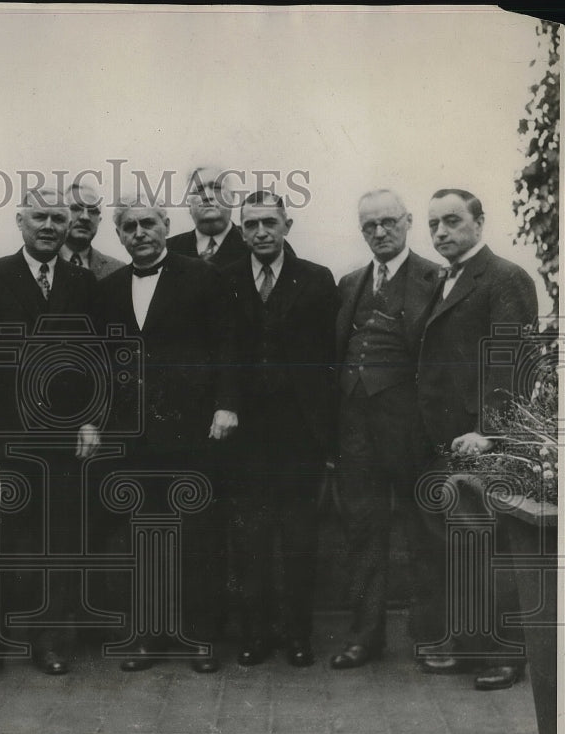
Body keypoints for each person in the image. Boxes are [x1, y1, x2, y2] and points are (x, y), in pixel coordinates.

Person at [0, 186, 100, 680]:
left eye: (60, 218)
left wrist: (91, 419)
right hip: (4, 436)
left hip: (62, 439)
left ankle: (51, 640)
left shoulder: (83, 282)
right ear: (20, 220)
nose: (50, 226)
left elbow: (99, 358)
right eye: (40, 216)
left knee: (57, 540)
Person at [94, 198, 239, 673]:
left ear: (166, 226)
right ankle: (146, 638)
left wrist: (225, 404)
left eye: (148, 223)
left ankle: (199, 636)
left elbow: (227, 345)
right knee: (142, 535)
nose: (139, 232)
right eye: (129, 226)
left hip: (191, 431)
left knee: (195, 532)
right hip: (132, 437)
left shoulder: (203, 276)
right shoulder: (109, 288)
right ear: (119, 235)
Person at [417, 188, 539, 690]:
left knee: (490, 544)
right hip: (445, 439)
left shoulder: (505, 277)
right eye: (434, 225)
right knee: (460, 544)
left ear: (479, 222)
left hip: (482, 442)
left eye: (452, 221)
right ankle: (471, 646)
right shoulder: (443, 280)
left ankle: (505, 655)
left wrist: (489, 432)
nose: (441, 232)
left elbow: (511, 360)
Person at [216, 190, 338, 668]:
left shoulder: (316, 278)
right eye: (251, 224)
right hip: (245, 435)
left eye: (270, 222)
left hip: (299, 435)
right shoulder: (224, 280)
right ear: (241, 230)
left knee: (299, 539)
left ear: (288, 225)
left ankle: (298, 635)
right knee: (249, 540)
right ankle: (256, 634)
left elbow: (328, 359)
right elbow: (221, 352)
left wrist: (326, 436)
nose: (261, 232)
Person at [330, 189, 442, 669]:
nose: (379, 232)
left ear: (408, 221)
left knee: (424, 533)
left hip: (411, 429)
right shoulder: (350, 282)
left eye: (388, 222)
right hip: (356, 431)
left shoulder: (434, 278)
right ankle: (364, 636)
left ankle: (431, 636)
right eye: (369, 225)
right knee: (362, 534)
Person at [167, 165, 249, 264]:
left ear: (232, 197)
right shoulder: (169, 250)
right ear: (187, 203)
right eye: (199, 190)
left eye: (216, 188)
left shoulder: (253, 245)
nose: (207, 196)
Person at [59, 180, 125, 279]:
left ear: (99, 220)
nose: (85, 217)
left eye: (93, 211)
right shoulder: (42, 262)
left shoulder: (117, 270)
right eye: (76, 208)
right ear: (61, 215)